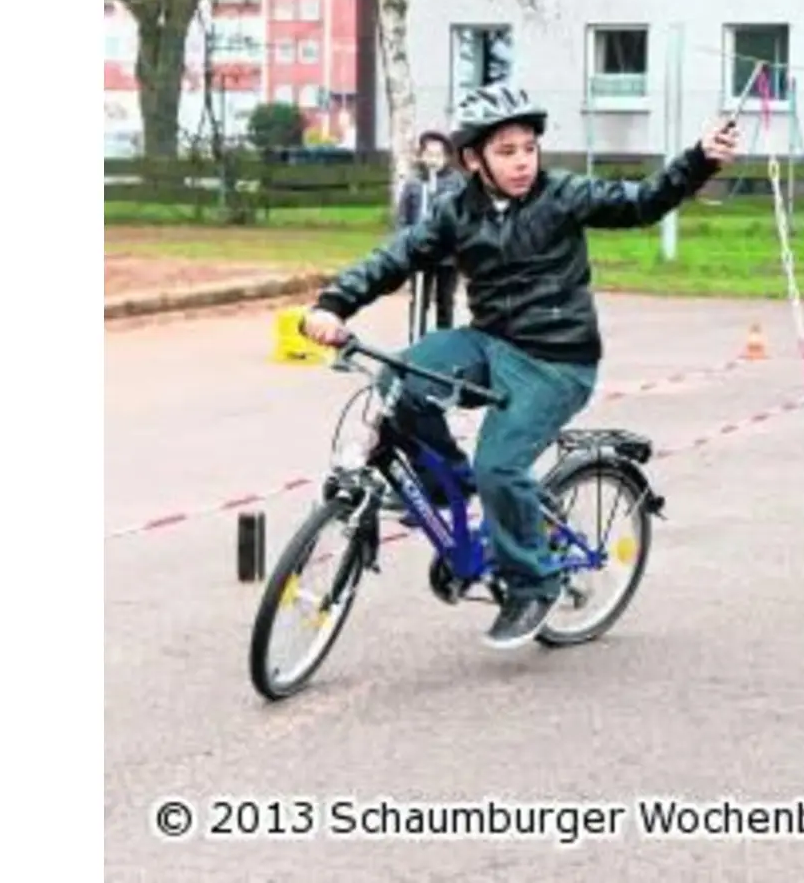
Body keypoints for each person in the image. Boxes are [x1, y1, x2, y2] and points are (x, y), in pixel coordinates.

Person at [299, 83, 739, 650]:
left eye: (528, 147)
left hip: (556, 361)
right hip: (489, 343)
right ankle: (450, 485)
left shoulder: (563, 195)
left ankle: (533, 581)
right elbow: (398, 256)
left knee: (501, 466)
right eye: (506, 151)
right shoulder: (456, 209)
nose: (522, 161)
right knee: (397, 382)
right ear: (473, 160)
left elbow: (642, 201)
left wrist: (699, 159)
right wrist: (334, 304)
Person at [395, 131, 466, 332]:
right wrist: (405, 244)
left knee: (445, 301)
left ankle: (443, 344)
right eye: (429, 154)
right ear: (422, 156)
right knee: (419, 301)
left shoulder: (456, 182)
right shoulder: (414, 183)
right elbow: (403, 217)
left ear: (445, 157)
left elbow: (463, 217)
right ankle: (416, 339)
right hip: (420, 252)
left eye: (438, 155)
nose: (433, 160)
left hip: (447, 255)